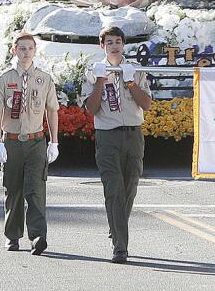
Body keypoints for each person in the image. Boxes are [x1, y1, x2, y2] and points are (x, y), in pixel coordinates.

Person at [85, 26, 152, 264]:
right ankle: (120, 247)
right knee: (113, 188)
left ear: (124, 44)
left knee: (130, 187)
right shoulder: (94, 71)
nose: (114, 45)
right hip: (107, 136)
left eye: (118, 41)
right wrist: (100, 81)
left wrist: (131, 82)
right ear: (101, 45)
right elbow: (91, 108)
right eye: (109, 42)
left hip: (133, 135)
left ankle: (116, 229)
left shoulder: (134, 69)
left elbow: (146, 105)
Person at [0, 33, 59, 254]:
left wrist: (54, 141)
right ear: (14, 51)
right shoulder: (5, 78)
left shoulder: (44, 79)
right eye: (22, 48)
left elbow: (52, 110)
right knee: (14, 190)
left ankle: (38, 236)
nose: (26, 52)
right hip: (12, 141)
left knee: (36, 189)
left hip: (36, 140)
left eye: (30, 48)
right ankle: (12, 236)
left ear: (35, 51)